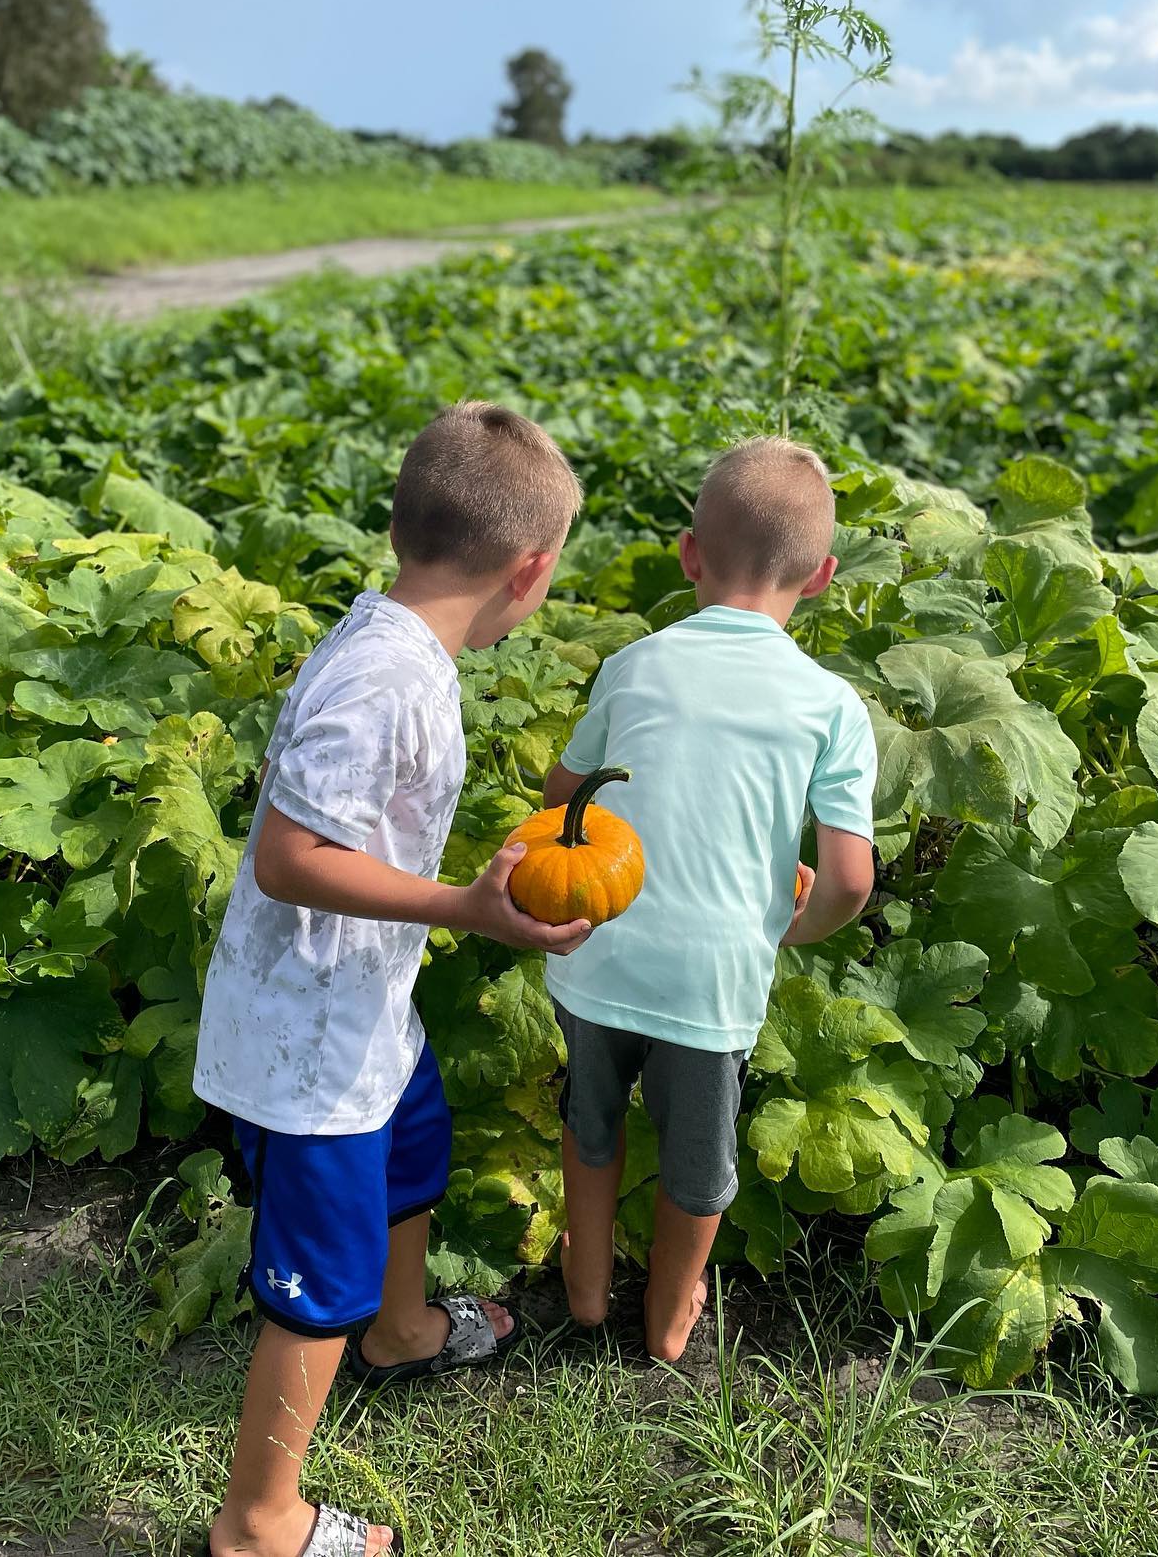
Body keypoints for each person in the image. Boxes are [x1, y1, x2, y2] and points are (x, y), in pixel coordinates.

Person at [194, 402, 591, 1557]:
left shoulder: (405, 648)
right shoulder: (386, 682)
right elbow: (289, 855)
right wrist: (467, 905)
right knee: (316, 1280)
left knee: (414, 1145)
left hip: (359, 1004)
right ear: (532, 571)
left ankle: (403, 1327)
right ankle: (258, 1519)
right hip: (310, 1043)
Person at [542, 436, 877, 1363]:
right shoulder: (831, 704)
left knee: (590, 1117)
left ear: (689, 553)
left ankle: (585, 1284)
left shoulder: (634, 663)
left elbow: (563, 796)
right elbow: (850, 878)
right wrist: (793, 925)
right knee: (699, 1160)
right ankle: (668, 1309)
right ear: (822, 577)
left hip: (598, 946)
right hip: (715, 977)